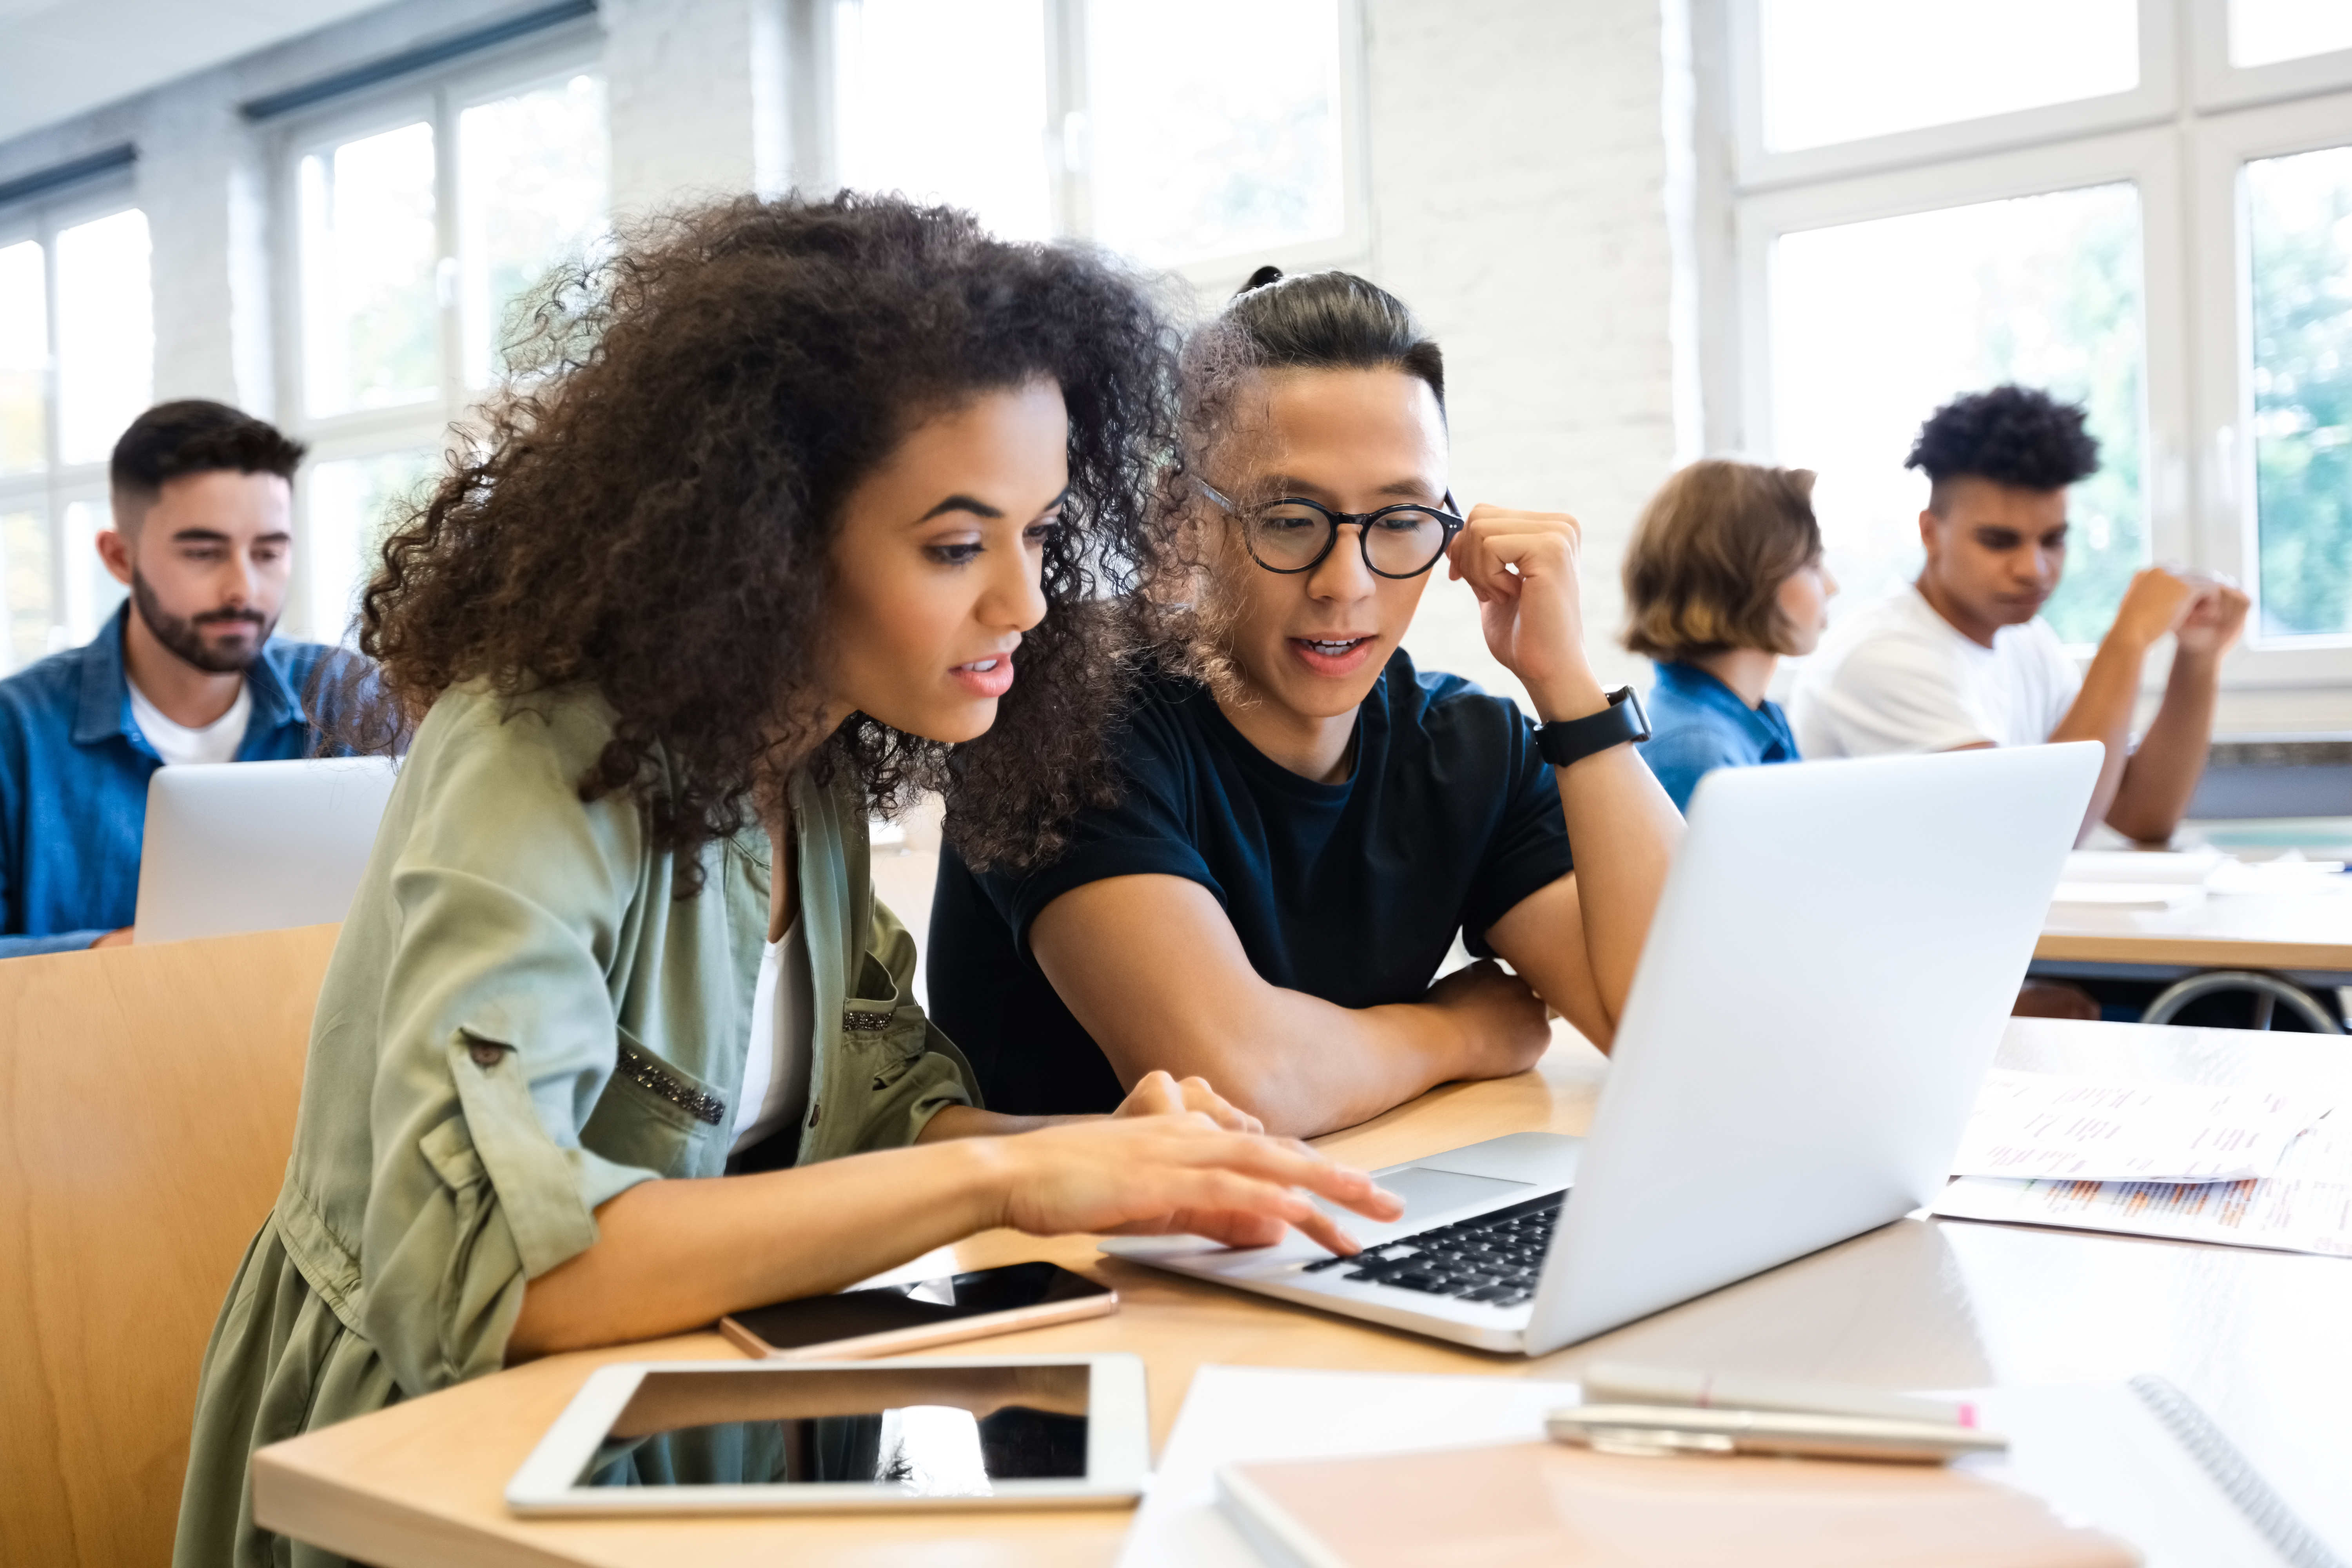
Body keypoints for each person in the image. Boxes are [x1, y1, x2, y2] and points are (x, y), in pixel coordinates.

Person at [173, 198, 1399, 1568]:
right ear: (763, 539)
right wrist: (1021, 1179)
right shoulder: (532, 753)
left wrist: (1124, 1164)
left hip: (698, 1423)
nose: (1028, 602)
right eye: (956, 545)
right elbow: (510, 1274)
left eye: (1043, 534)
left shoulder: (806, 760)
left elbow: (876, 1116)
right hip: (439, 1467)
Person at [926, 267, 1684, 1138]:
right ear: (1182, 520)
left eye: (1400, 519)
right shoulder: (1061, 718)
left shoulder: (1469, 747)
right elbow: (1243, 1083)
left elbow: (1681, 1028)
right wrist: (1460, 1029)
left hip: (1349, 1225)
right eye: (1289, 518)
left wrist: (1566, 686)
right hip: (1078, 1265)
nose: (1346, 584)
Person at [1792, 385, 2248, 845]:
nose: (2035, 570)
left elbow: (2139, 814)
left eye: (2053, 540)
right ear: (1931, 534)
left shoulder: (2028, 640)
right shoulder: (1883, 657)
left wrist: (2197, 660)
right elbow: (2035, 835)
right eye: (1999, 541)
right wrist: (2128, 638)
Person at [0, 401, 350, 956]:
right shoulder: (15, 730)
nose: (243, 587)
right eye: (203, 553)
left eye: (269, 552)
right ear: (120, 557)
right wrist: (108, 955)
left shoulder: (347, 696)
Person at [1621, 458, 1836, 812]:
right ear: (1749, 577)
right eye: (1812, 564)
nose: (1831, 586)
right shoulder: (1695, 751)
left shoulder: (1756, 719)